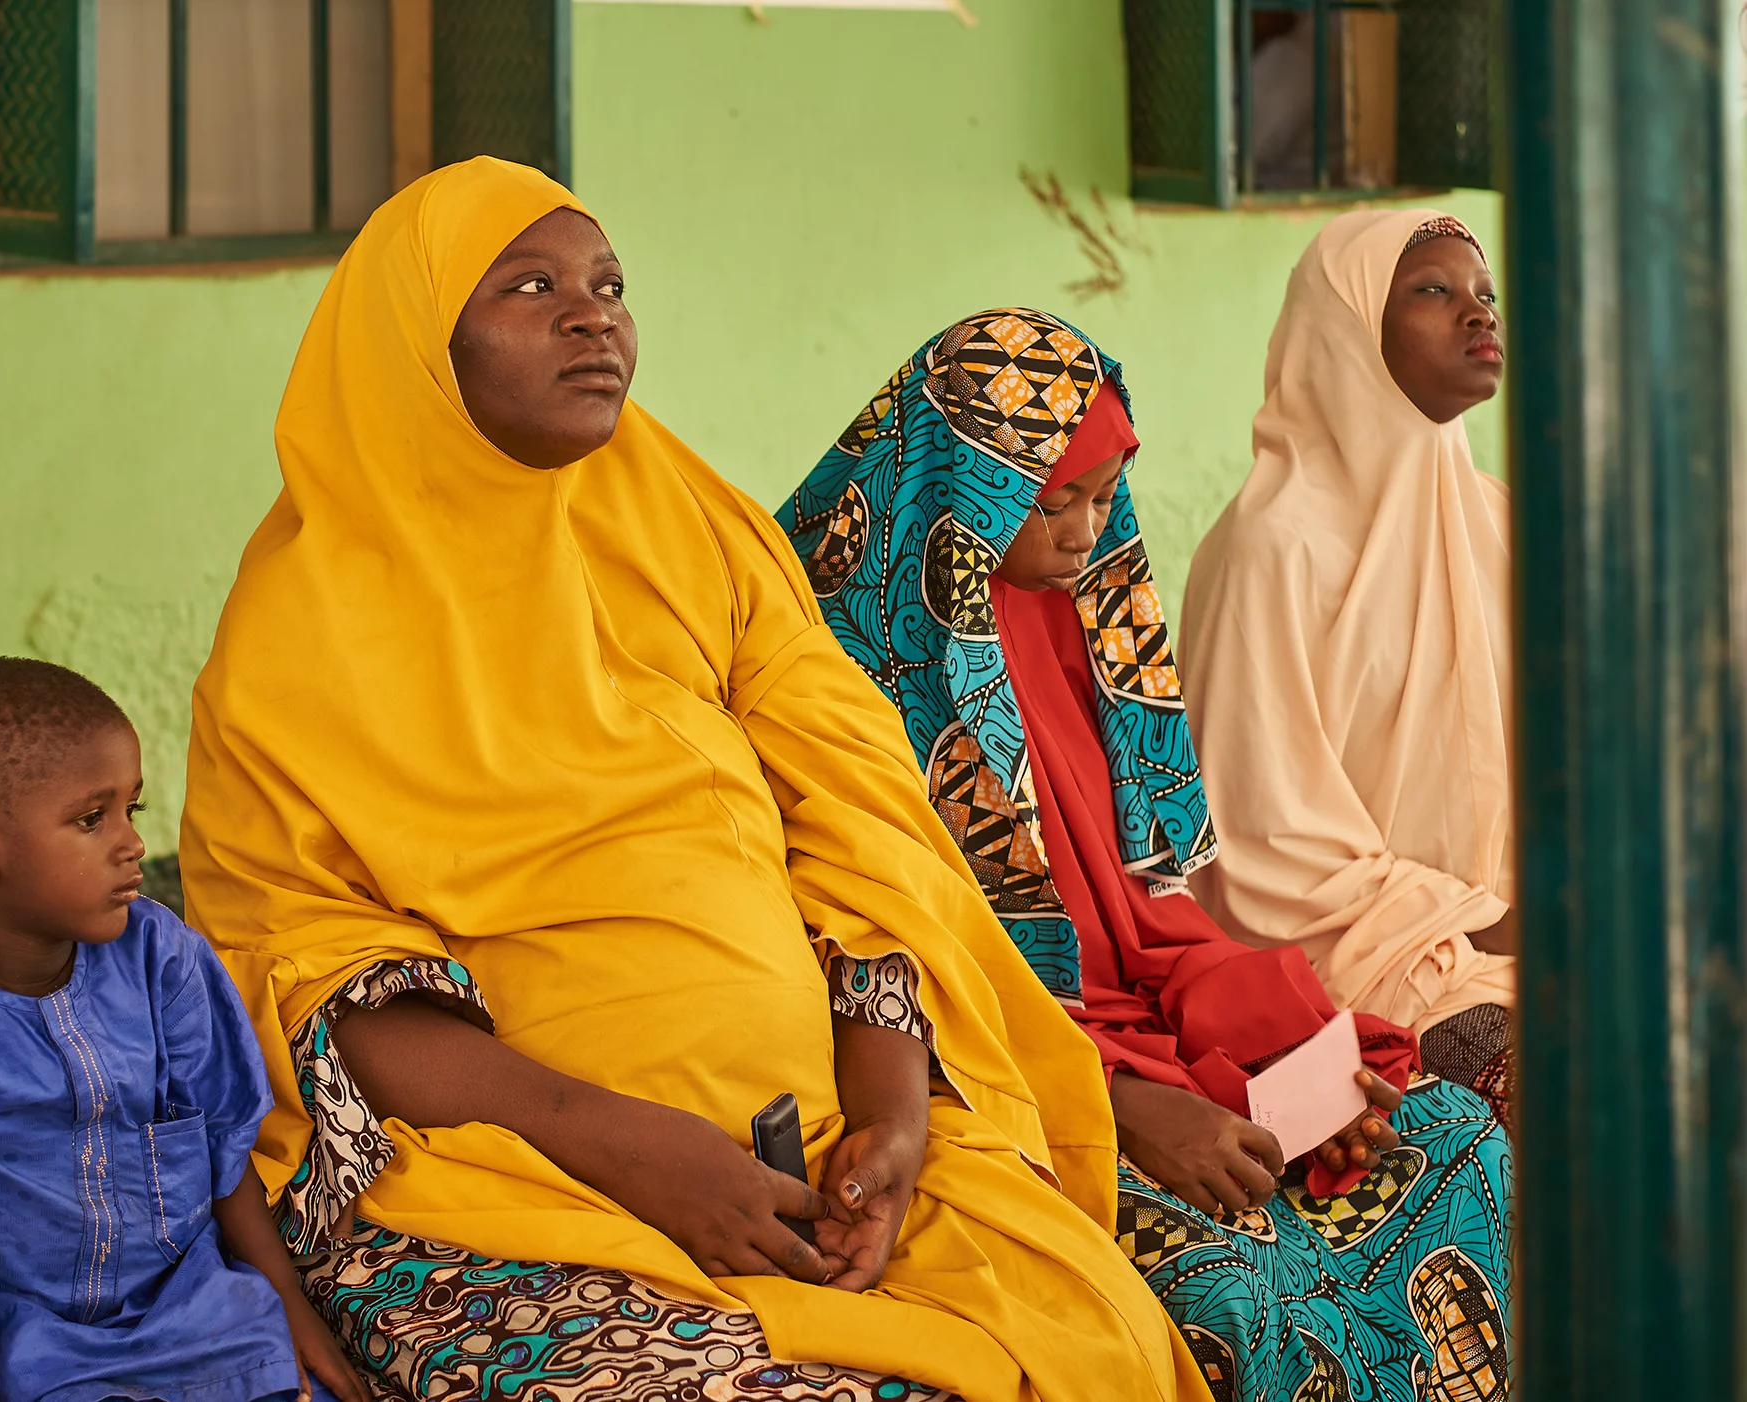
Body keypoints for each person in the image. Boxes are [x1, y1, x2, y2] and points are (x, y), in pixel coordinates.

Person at [179, 157, 1212, 1401]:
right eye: (530, 286)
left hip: (823, 1136)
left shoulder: (695, 529)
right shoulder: (297, 638)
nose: (592, 313)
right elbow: (308, 967)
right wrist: (622, 1144)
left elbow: (860, 820)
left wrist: (888, 1115)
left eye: (609, 283)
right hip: (514, 1183)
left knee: (1095, 1334)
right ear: (412, 344)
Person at [779, 307, 1513, 1402]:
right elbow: (884, 961)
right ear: (956, 491)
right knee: (1224, 1291)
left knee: (1457, 1143)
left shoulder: (1062, 628)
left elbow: (1150, 917)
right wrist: (1118, 1103)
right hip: (991, 1088)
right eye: (1053, 496)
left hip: (1144, 1058)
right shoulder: (844, 675)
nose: (1085, 532)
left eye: (1104, 492)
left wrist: (1306, 1063)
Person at [0, 658, 360, 1402]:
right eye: (89, 819)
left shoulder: (162, 957)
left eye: (130, 810)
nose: (131, 843)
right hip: (21, 1354)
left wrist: (292, 1315)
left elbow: (222, 1149)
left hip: (199, 1324)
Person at [1177, 211, 1516, 1124]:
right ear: (1349, 331)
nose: (1478, 315)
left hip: (1520, 937)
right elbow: (1262, 852)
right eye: (1433, 292)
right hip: (1366, 964)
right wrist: (1486, 921)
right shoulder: (1270, 548)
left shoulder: (1499, 522)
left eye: (1485, 294)